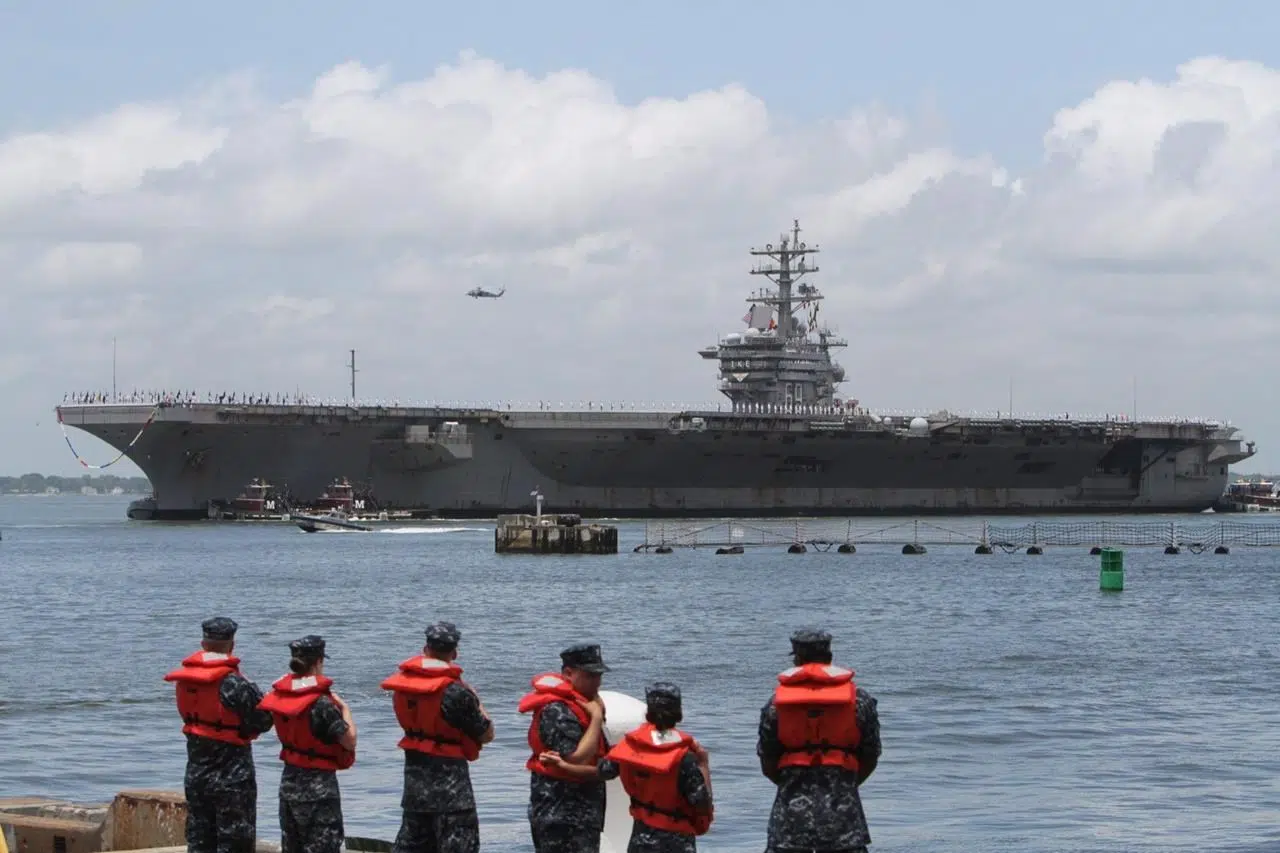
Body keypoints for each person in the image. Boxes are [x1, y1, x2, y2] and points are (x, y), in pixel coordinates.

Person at [540, 681, 713, 853]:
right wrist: (704, 764)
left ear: (648, 713)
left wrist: (563, 765)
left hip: (641, 840)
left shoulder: (629, 747)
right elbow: (702, 804)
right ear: (679, 714)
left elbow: (599, 773)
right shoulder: (685, 758)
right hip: (677, 842)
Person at [756, 629, 881, 853]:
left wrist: (792, 782)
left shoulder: (775, 705)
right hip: (845, 818)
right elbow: (871, 755)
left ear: (797, 660)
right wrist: (846, 782)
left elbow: (767, 762)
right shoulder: (860, 701)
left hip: (789, 820)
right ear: (830, 658)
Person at [163, 616, 274, 853]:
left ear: (203, 645)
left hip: (196, 774)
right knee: (236, 842)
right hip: (233, 776)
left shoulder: (184, 680)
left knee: (200, 840)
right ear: (232, 645)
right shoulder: (235, 683)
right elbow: (264, 720)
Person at [382, 621, 495, 853]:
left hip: (415, 789)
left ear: (426, 650)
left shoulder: (402, 687)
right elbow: (486, 734)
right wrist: (474, 696)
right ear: (454, 652)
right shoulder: (456, 691)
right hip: (453, 794)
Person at [258, 635, 358, 853]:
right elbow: (349, 742)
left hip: (289, 785)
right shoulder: (322, 703)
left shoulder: (278, 695)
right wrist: (346, 710)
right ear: (319, 662)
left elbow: (260, 722)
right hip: (319, 790)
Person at [518, 643, 611, 853]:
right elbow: (576, 757)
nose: (596, 682)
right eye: (589, 676)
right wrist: (596, 717)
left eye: (598, 676)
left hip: (582, 812)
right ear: (568, 673)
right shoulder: (557, 710)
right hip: (561, 814)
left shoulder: (581, 703)